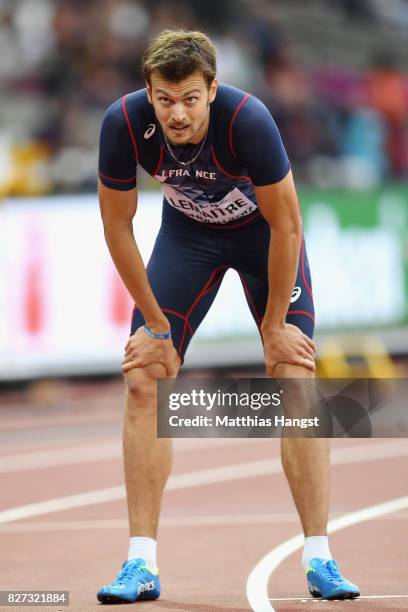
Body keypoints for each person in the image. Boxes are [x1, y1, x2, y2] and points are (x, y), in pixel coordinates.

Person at [96, 29, 360, 604]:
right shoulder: (123, 123)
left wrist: (273, 326)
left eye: (191, 98)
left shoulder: (249, 120)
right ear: (149, 92)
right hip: (187, 239)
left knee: (294, 375)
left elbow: (287, 224)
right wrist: (155, 326)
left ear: (212, 89)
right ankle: (140, 563)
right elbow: (117, 226)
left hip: (262, 239)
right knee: (144, 378)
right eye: (165, 100)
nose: (178, 114)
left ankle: (321, 557)